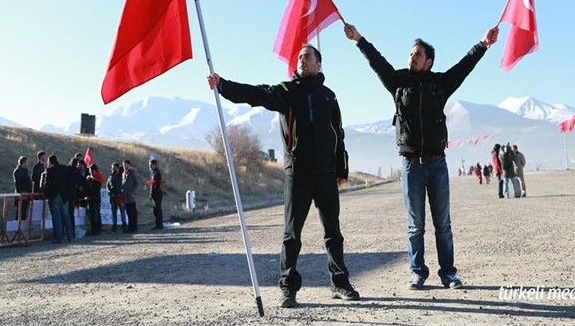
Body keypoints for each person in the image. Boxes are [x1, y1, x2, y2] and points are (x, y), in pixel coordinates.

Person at [344, 22, 499, 290]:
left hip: (437, 164)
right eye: (411, 53)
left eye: (418, 54)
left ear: (428, 61)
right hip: (411, 166)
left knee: (443, 225)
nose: (412, 57)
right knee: (415, 226)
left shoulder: (440, 84)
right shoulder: (398, 82)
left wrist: (483, 44)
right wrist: (359, 39)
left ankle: (448, 273)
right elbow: (377, 62)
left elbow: (465, 66)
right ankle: (418, 272)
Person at [207, 44, 360, 308]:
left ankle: (340, 283)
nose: (302, 60)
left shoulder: (329, 97)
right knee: (292, 235)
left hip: (325, 176)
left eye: (308, 56)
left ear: (318, 64)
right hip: (297, 175)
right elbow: (255, 94)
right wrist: (224, 85)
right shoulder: (286, 93)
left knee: (333, 233)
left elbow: (338, 134)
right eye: (299, 57)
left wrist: (341, 169)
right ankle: (288, 288)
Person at [40, 155, 73, 243]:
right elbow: (70, 182)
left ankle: (59, 237)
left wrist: (47, 194)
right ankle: (70, 236)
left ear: (50, 162)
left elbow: (46, 185)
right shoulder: (65, 169)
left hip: (54, 195)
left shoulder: (49, 171)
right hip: (64, 195)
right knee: (66, 216)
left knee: (56, 217)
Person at [106, 162, 127, 232]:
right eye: (112, 168)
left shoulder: (122, 176)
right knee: (113, 213)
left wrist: (122, 193)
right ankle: (114, 227)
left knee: (122, 212)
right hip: (113, 197)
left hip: (120, 196)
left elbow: (125, 186)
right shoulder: (110, 177)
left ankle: (124, 226)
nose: (113, 169)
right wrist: (110, 193)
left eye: (114, 168)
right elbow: (107, 187)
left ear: (118, 168)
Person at [85, 164, 103, 235]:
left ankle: (98, 229)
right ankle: (93, 229)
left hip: (95, 198)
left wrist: (90, 181)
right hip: (89, 199)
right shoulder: (89, 179)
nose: (90, 172)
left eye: (91, 171)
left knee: (96, 214)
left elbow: (96, 187)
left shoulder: (98, 178)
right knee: (91, 215)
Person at [13, 156, 32, 220]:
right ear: (23, 162)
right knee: (19, 213)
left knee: (24, 213)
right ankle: (17, 227)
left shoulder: (25, 171)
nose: (28, 164)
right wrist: (21, 192)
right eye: (27, 162)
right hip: (21, 195)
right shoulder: (17, 171)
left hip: (26, 195)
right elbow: (17, 183)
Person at [122, 159, 138, 234]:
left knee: (133, 213)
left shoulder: (132, 172)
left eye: (126, 164)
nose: (124, 166)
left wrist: (133, 191)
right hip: (125, 197)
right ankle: (130, 227)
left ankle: (134, 228)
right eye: (123, 165)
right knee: (128, 213)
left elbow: (136, 183)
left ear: (129, 165)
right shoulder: (123, 174)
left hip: (131, 196)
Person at [148, 159, 164, 230]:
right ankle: (158, 224)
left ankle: (159, 225)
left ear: (155, 165)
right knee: (156, 210)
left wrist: (151, 182)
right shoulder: (154, 172)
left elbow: (156, 183)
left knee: (157, 210)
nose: (150, 166)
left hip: (157, 194)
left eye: (151, 165)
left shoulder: (157, 173)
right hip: (155, 194)